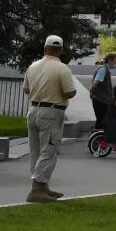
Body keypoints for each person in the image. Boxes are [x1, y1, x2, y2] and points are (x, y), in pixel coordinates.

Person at [22, 35, 77, 203]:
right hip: (52, 112)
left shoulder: (33, 66)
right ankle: (36, 188)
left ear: (45, 48)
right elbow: (69, 92)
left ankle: (43, 186)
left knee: (36, 150)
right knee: (49, 151)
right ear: (61, 50)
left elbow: (26, 89)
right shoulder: (62, 68)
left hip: (33, 110)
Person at [88, 52, 116, 131]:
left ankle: (97, 139)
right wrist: (92, 94)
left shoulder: (106, 69)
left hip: (102, 100)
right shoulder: (103, 70)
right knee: (101, 120)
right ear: (110, 60)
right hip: (100, 100)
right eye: (115, 60)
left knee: (102, 120)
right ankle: (96, 140)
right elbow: (95, 83)